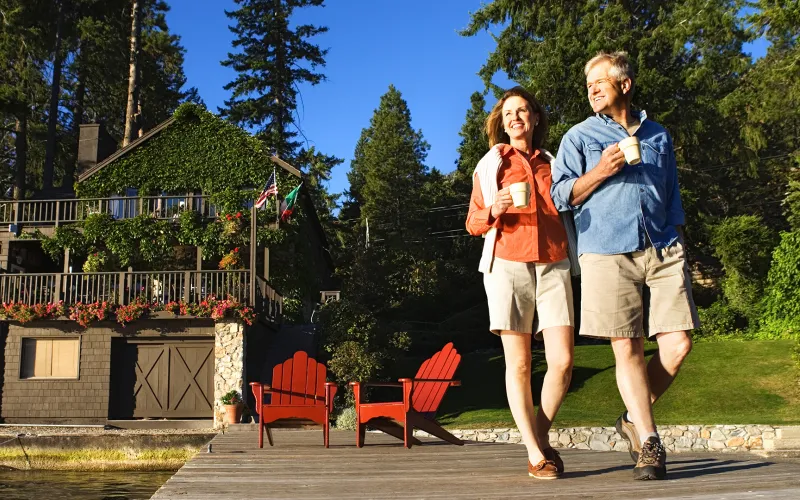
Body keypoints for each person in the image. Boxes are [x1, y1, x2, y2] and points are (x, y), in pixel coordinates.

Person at [550, 51, 699, 481]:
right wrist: (599, 171)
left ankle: (634, 417)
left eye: (600, 81)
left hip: (663, 244)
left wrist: (679, 239)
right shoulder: (578, 137)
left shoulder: (658, 135)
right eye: (588, 84)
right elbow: (561, 196)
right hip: (606, 249)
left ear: (625, 85)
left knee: (678, 344)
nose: (592, 89)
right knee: (627, 345)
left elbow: (672, 194)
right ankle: (650, 443)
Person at [466, 87, 579, 480]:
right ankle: (535, 454)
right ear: (502, 121)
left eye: (524, 110)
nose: (516, 117)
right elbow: (473, 222)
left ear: (534, 119)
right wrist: (493, 209)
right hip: (508, 265)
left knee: (563, 362)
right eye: (509, 112)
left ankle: (539, 438)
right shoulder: (490, 164)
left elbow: (572, 203)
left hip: (554, 261)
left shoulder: (554, 162)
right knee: (520, 363)